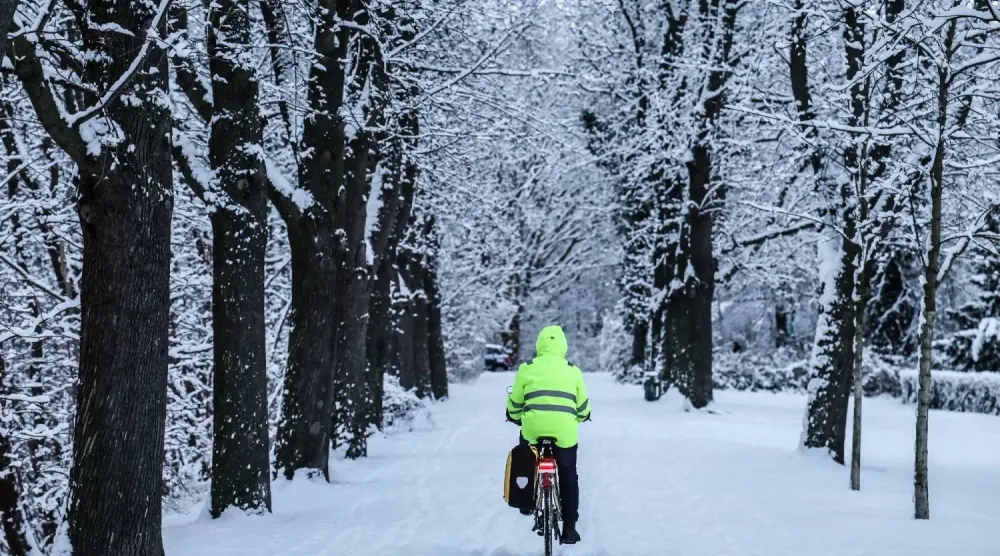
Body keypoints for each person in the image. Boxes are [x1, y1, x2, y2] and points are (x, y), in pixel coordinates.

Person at [505, 325, 591, 545]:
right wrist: (582, 415)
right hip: (564, 432)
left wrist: (514, 414)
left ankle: (526, 501)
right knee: (569, 473)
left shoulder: (527, 368)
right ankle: (570, 528)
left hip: (533, 429)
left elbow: (515, 402)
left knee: (526, 454)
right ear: (563, 346)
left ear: (539, 345)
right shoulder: (573, 370)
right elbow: (582, 408)